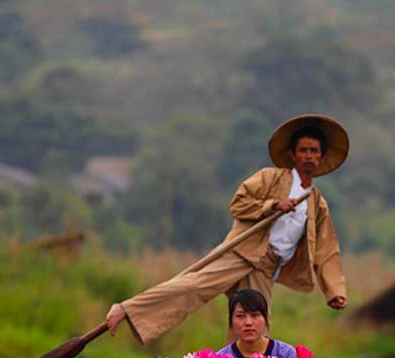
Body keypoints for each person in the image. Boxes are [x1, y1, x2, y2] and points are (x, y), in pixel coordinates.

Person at [104, 114, 349, 344]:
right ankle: (127, 309)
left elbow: (326, 252)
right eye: (303, 150)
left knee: (254, 323)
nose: (308, 156)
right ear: (293, 154)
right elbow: (238, 204)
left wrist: (334, 291)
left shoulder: (317, 204)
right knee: (194, 286)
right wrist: (272, 205)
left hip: (266, 267)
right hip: (241, 252)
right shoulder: (270, 178)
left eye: (314, 151)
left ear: (320, 157)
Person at [218, 288, 297, 358]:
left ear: (266, 319)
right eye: (240, 316)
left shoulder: (286, 354)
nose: (248, 323)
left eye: (255, 315)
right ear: (231, 321)